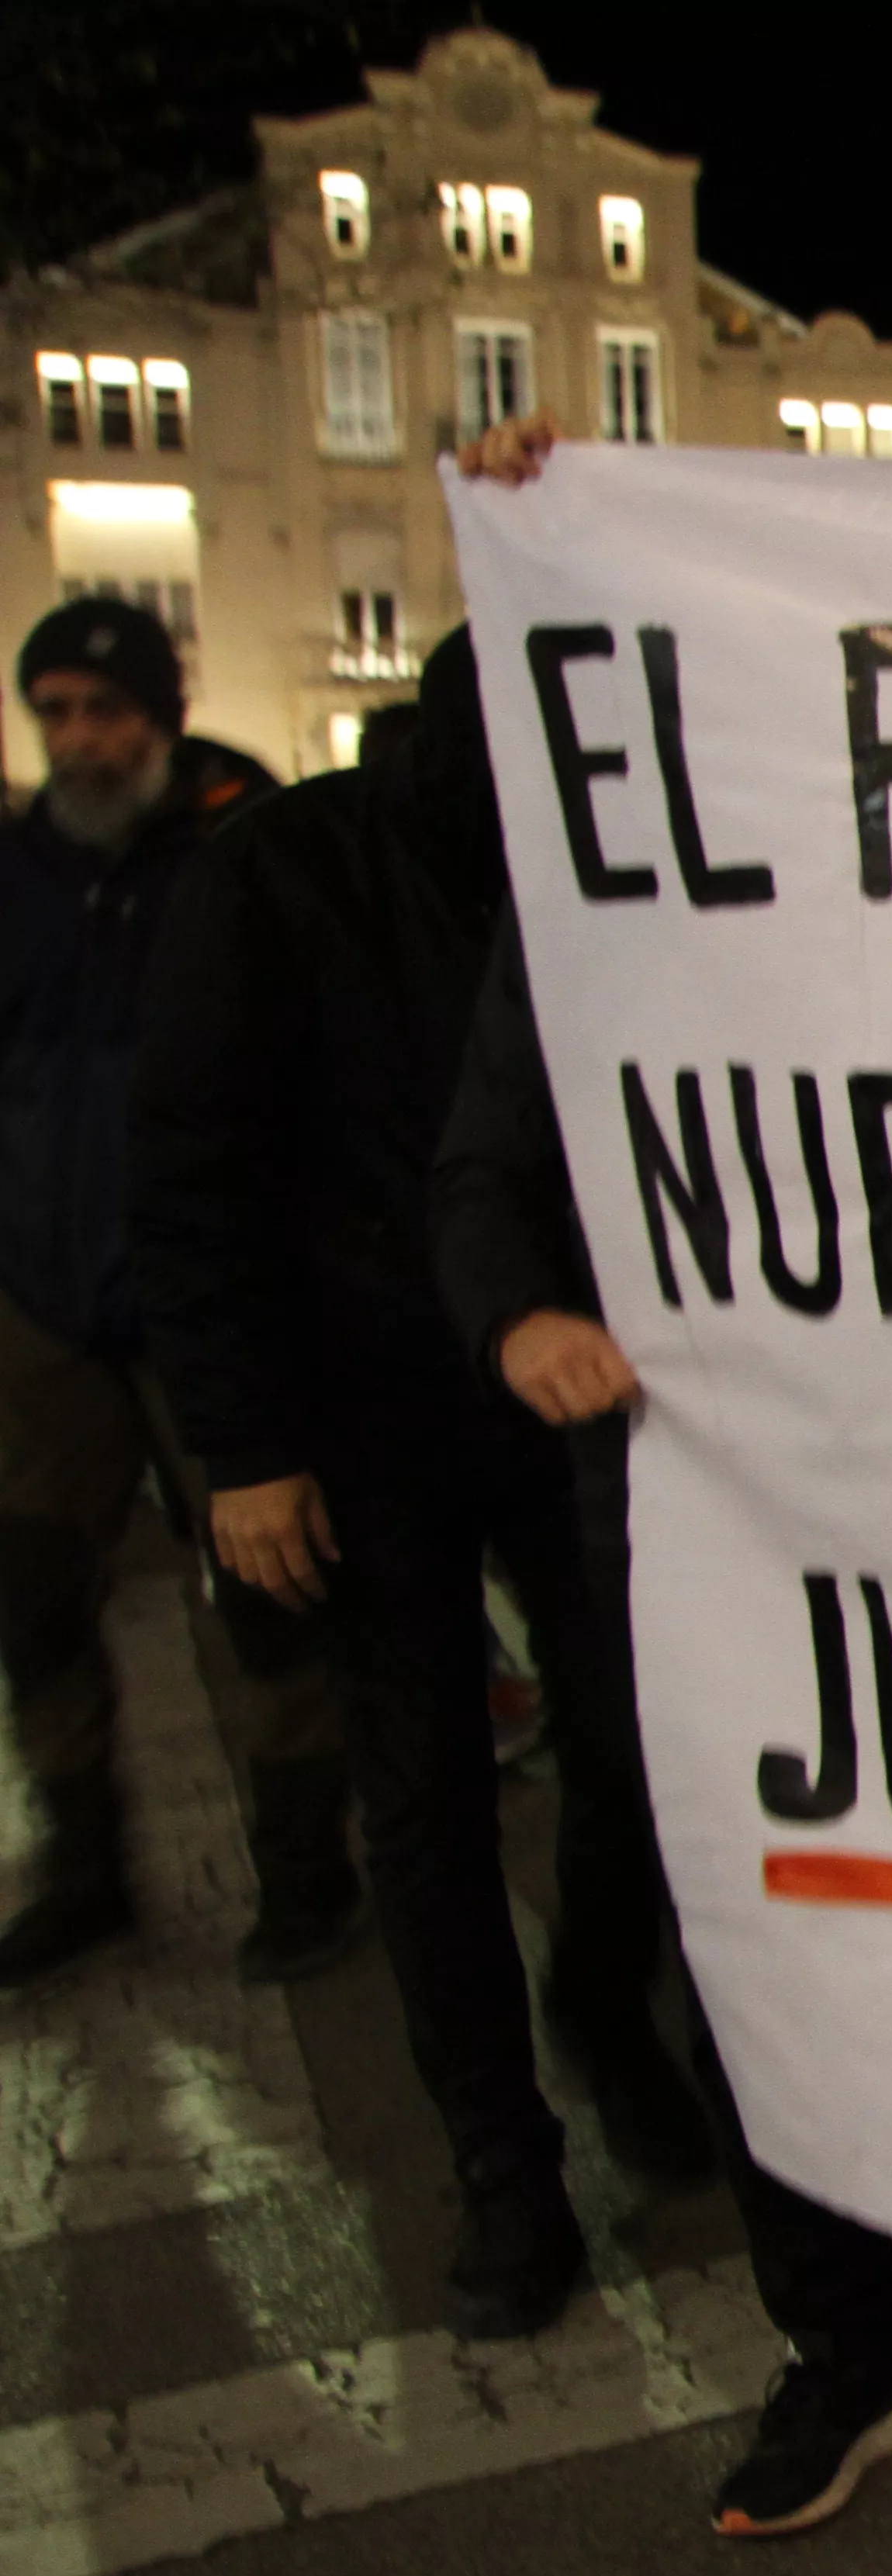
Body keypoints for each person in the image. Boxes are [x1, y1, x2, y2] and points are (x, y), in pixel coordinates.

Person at [439, 411, 892, 2533]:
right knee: (769, 1928)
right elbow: (486, 1175)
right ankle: (839, 2342)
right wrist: (525, 1325)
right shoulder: (608, 905)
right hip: (711, 1525)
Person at [127, 621, 700, 2343]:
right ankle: (502, 2172)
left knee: (628, 1745)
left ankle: (605, 2010)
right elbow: (194, 1165)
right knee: (427, 1801)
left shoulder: (615, 882)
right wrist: (247, 1450)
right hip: (361, 1409)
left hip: (556, 1385)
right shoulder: (281, 875)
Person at [0, 597, 353, 1988]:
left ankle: (310, 1872)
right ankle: (86, 1864)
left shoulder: (237, 839)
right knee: (33, 1592)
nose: (82, 740)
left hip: (205, 1293)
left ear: (161, 708)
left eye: (105, 709)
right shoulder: (18, 871)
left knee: (269, 1589)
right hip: (40, 1300)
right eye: (58, 713)